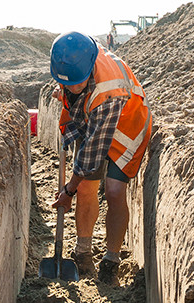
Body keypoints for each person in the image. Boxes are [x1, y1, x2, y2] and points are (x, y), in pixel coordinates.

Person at [49, 31, 152, 286]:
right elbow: (71, 86)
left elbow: (90, 156)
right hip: (93, 119)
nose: (73, 88)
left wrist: (68, 191)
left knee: (114, 190)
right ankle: (83, 253)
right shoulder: (72, 62)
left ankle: (110, 262)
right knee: (86, 187)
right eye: (68, 83)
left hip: (127, 127)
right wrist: (64, 90)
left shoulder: (109, 92)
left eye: (77, 83)